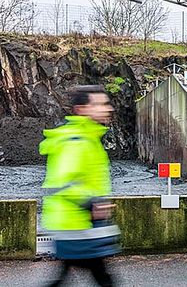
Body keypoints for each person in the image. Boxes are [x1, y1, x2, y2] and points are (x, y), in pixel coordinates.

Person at [40, 85, 120, 287]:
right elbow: (62, 182)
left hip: (79, 224)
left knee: (74, 276)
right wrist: (91, 202)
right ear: (81, 109)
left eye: (107, 104)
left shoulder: (88, 137)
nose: (107, 109)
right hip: (77, 225)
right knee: (102, 277)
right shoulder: (76, 140)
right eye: (100, 105)